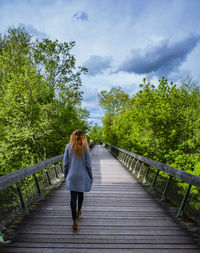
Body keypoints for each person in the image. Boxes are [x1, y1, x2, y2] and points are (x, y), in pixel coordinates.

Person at [63, 129, 93, 231]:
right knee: (81, 194)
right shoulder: (85, 148)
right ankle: (79, 210)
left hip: (72, 176)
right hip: (82, 175)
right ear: (83, 137)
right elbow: (88, 164)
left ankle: (74, 220)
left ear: (72, 136)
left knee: (73, 197)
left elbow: (65, 164)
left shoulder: (68, 147)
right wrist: (90, 176)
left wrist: (66, 175)